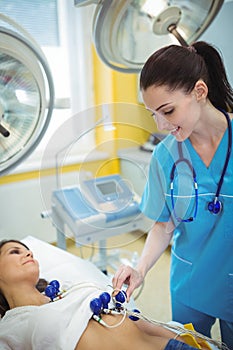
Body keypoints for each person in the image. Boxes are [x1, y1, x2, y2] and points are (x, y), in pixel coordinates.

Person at [112, 41, 233, 350]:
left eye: (168, 111)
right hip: (190, 286)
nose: (162, 125)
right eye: (153, 114)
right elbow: (163, 225)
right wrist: (139, 270)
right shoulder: (165, 155)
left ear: (200, 92)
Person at [0, 239, 217, 350]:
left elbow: (137, 322)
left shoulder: (66, 291)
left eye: (27, 250)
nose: (28, 252)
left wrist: (190, 343)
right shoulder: (10, 328)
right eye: (14, 252)